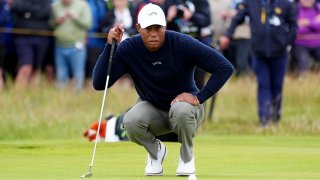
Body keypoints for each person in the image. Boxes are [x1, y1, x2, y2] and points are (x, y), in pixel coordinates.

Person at [93, 3, 234, 176]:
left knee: (181, 110)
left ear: (165, 26)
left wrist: (199, 98)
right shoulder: (129, 48)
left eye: (158, 28)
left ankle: (187, 157)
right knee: (130, 121)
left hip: (187, 110)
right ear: (138, 28)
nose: (153, 34)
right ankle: (156, 152)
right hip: (153, 109)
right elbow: (99, 83)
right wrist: (109, 47)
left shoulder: (182, 42)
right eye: (148, 28)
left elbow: (224, 67)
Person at [219, 0, 297, 127]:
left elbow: (293, 26)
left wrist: (286, 43)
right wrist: (228, 35)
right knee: (263, 85)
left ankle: (275, 118)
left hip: (280, 55)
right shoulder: (251, 2)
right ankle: (264, 119)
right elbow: (237, 18)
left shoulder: (286, 4)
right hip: (259, 53)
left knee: (277, 85)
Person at [50, 0, 92, 92]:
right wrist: (57, 21)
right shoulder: (55, 6)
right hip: (59, 45)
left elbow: (88, 24)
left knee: (78, 74)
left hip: (77, 46)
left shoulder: (82, 5)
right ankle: (61, 97)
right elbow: (50, 24)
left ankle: (77, 97)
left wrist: (75, 18)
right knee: (61, 74)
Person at [8, 0, 52, 89]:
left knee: (36, 69)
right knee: (26, 67)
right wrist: (36, 12)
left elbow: (47, 12)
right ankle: (17, 96)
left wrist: (27, 13)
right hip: (23, 37)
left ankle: (32, 97)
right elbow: (16, 7)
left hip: (41, 37)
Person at [293, 0, 320, 77]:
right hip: (300, 43)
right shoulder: (294, 9)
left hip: (318, 43)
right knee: (303, 61)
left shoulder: (317, 8)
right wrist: (315, 22)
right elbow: (296, 29)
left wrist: (307, 23)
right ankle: (303, 80)